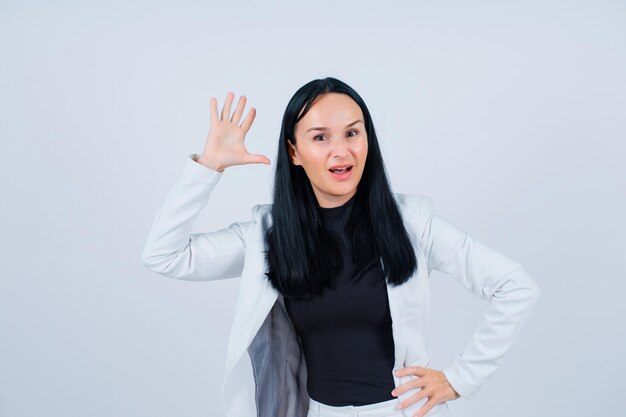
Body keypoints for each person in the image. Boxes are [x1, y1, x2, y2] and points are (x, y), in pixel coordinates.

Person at [140, 77, 541, 417]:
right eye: (320, 137)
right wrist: (208, 167)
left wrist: (459, 379)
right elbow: (165, 255)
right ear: (294, 152)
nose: (341, 150)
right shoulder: (267, 234)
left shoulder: (412, 222)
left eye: (352, 132)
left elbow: (515, 286)